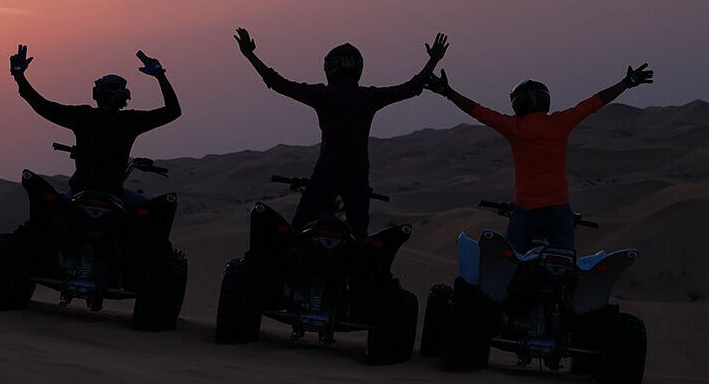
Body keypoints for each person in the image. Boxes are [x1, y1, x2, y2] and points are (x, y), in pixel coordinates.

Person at [235, 28, 448, 238]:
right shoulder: (368, 97)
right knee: (360, 243)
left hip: (326, 175)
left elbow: (278, 83)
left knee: (296, 235)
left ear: (329, 68)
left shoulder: (323, 95)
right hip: (356, 178)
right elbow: (411, 88)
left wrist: (250, 55)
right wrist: (433, 61)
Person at [425, 62, 654, 251]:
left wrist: (448, 92)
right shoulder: (560, 123)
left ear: (517, 104)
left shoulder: (514, 127)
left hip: (525, 213)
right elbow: (594, 102)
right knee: (566, 270)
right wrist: (626, 83)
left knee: (511, 267)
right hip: (559, 211)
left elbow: (478, 111)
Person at [8, 44, 181, 208]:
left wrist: (19, 76)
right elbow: (173, 111)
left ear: (96, 95)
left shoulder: (82, 116)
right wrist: (160, 75)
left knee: (53, 215)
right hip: (114, 193)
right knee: (148, 214)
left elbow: (42, 106)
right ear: (124, 96)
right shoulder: (130, 120)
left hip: (79, 191)